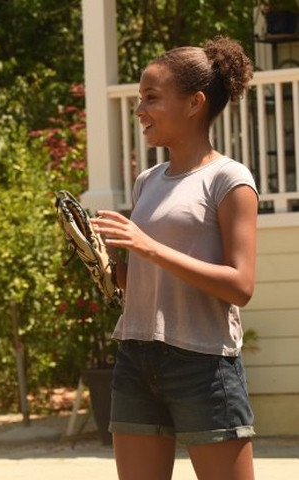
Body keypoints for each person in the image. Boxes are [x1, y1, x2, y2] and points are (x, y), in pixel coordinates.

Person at [91, 36, 258, 480]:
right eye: (139, 98)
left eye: (151, 97)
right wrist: (104, 259)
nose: (139, 110)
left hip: (203, 363)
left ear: (193, 103)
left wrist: (148, 246)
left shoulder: (229, 179)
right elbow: (139, 282)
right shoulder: (147, 181)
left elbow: (241, 285)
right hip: (136, 357)